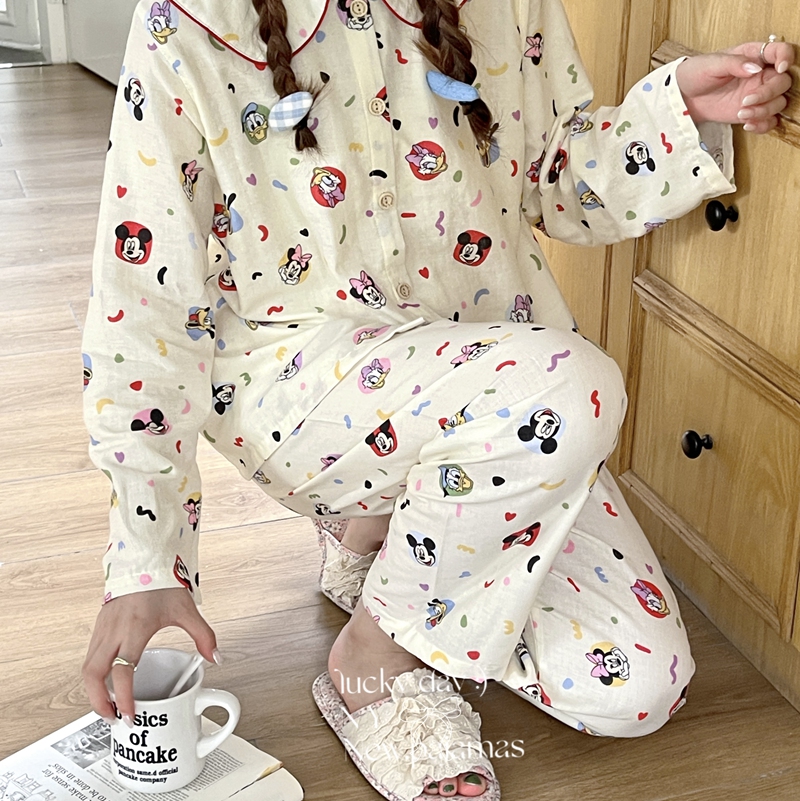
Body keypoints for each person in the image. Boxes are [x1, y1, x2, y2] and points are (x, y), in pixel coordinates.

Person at [79, 0, 793, 798]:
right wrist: (146, 560)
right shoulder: (183, 21)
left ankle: (381, 540)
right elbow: (142, 306)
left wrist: (679, 111)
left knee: (636, 683)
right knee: (575, 389)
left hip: (498, 401)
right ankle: (375, 657)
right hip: (300, 391)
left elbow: (555, 179)